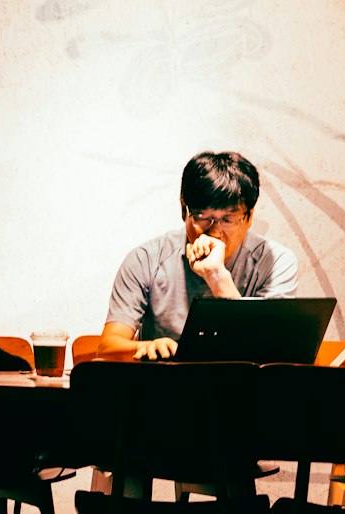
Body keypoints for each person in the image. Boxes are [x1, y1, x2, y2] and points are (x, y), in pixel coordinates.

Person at [100, 150, 298, 361]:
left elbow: (270, 355)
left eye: (228, 219)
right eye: (202, 217)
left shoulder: (275, 262)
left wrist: (217, 277)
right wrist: (149, 346)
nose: (214, 232)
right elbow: (107, 349)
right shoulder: (147, 259)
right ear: (184, 209)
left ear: (249, 218)